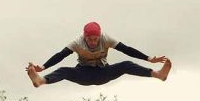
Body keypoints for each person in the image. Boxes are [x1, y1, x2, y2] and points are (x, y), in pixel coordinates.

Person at [26, 22, 172, 87]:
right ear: (84, 37)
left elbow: (126, 49)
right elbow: (60, 55)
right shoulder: (77, 42)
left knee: (126, 65)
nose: (93, 42)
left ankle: (158, 75)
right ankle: (41, 81)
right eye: (89, 39)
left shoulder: (106, 39)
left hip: (103, 73)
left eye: (95, 39)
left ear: (99, 36)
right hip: (83, 74)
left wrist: (149, 58)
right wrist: (43, 67)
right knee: (63, 70)